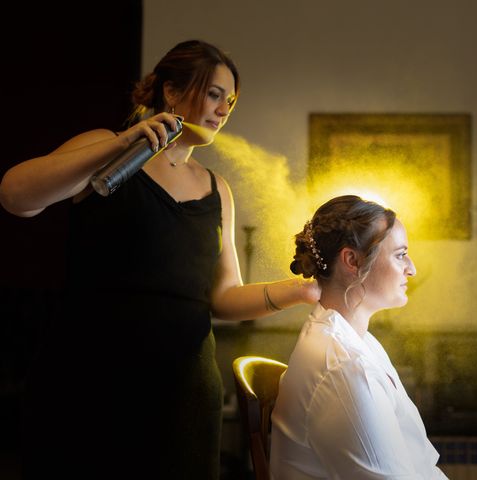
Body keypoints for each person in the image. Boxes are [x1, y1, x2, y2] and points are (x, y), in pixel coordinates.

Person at [0, 39, 318, 479]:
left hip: (183, 395)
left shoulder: (216, 189)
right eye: (213, 93)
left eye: (231, 100)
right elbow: (16, 196)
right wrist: (123, 142)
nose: (224, 109)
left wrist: (300, 291)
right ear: (170, 92)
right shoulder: (106, 147)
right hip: (88, 380)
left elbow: (223, 298)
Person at [270, 195, 447, 479]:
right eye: (400, 255)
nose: (411, 269)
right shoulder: (343, 365)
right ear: (352, 260)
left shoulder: (359, 342)